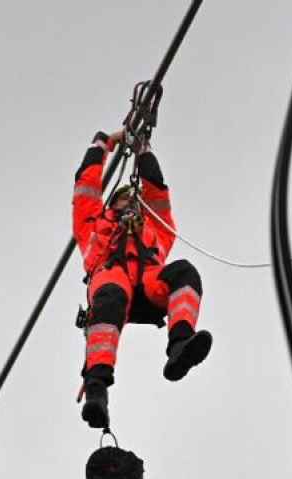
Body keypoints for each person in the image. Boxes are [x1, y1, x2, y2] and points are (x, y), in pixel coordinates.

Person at [73, 127, 213, 429]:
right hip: (112, 284)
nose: (133, 202)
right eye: (125, 198)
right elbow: (85, 187)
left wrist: (143, 151)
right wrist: (103, 143)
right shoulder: (93, 227)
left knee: (184, 271)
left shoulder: (157, 228)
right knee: (111, 294)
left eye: (137, 199)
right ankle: (97, 390)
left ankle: (180, 345)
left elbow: (157, 190)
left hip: (149, 288)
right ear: (113, 204)